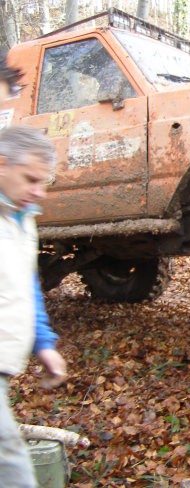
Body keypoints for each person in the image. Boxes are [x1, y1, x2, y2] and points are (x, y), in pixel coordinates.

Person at [0, 124, 67, 487]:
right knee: (10, 461)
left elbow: (27, 287)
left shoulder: (22, 221)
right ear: (1, 164)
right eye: (30, 179)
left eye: (44, 182)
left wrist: (44, 344)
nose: (38, 192)